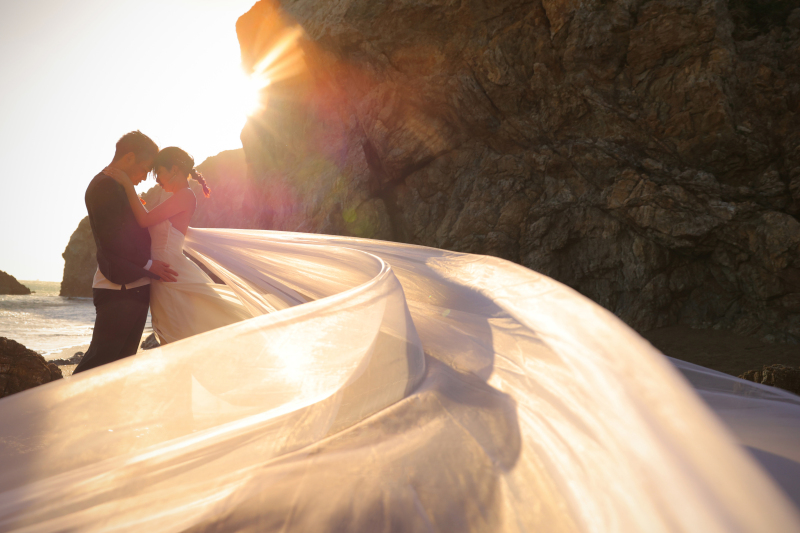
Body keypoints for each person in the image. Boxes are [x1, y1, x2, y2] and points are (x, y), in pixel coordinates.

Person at [105, 146, 253, 345]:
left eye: (159, 173)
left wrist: (128, 186)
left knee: (177, 335)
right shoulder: (177, 197)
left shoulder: (186, 195)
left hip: (171, 274)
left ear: (174, 169)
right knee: (173, 333)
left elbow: (145, 220)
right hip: (163, 274)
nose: (157, 179)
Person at [74, 132, 178, 374]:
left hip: (133, 287)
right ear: (129, 157)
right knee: (99, 364)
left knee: (120, 368)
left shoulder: (119, 185)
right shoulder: (105, 186)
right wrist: (149, 264)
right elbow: (113, 240)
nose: (144, 178)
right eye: (144, 169)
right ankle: (64, 409)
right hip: (119, 289)